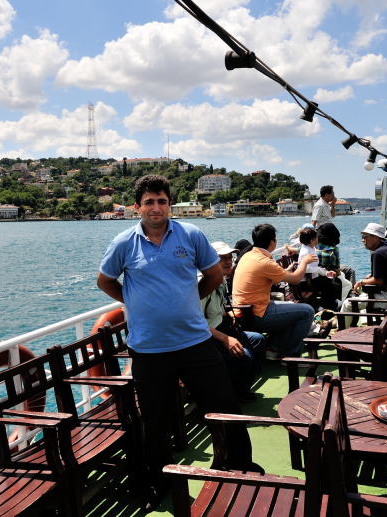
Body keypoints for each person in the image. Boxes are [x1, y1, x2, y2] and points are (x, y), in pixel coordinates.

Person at [97, 174, 259, 511]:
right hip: (149, 349)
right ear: (137, 207)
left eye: (162, 201)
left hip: (195, 342)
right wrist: (134, 301)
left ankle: (240, 466)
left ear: (169, 204)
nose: (156, 207)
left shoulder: (191, 234)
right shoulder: (124, 243)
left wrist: (189, 299)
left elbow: (214, 275)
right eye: (149, 202)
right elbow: (105, 281)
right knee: (155, 422)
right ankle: (158, 484)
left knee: (225, 407)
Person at [232, 223, 317, 359]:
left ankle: (274, 348)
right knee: (307, 311)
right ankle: (292, 356)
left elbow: (268, 278)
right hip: (257, 314)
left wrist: (285, 270)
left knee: (291, 306)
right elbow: (296, 279)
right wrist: (304, 262)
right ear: (272, 242)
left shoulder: (248, 256)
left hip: (243, 311)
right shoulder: (264, 261)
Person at [201, 241, 266, 402]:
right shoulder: (203, 284)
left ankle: (242, 386)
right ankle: (235, 394)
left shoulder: (221, 279)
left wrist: (228, 314)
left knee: (258, 340)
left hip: (222, 326)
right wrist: (225, 339)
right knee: (245, 356)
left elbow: (218, 307)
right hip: (208, 335)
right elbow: (195, 322)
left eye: (230, 257)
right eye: (222, 258)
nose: (228, 261)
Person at [339, 223, 387, 325]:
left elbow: (378, 280)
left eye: (365, 237)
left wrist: (361, 282)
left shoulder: (378, 253)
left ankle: (343, 331)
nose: (363, 240)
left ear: (375, 237)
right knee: (361, 297)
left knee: (348, 303)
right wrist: (370, 277)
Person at [316, 222, 353, 302]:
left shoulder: (314, 245)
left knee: (345, 273)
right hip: (327, 275)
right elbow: (336, 270)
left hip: (315, 274)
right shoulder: (332, 249)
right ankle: (342, 302)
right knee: (348, 282)